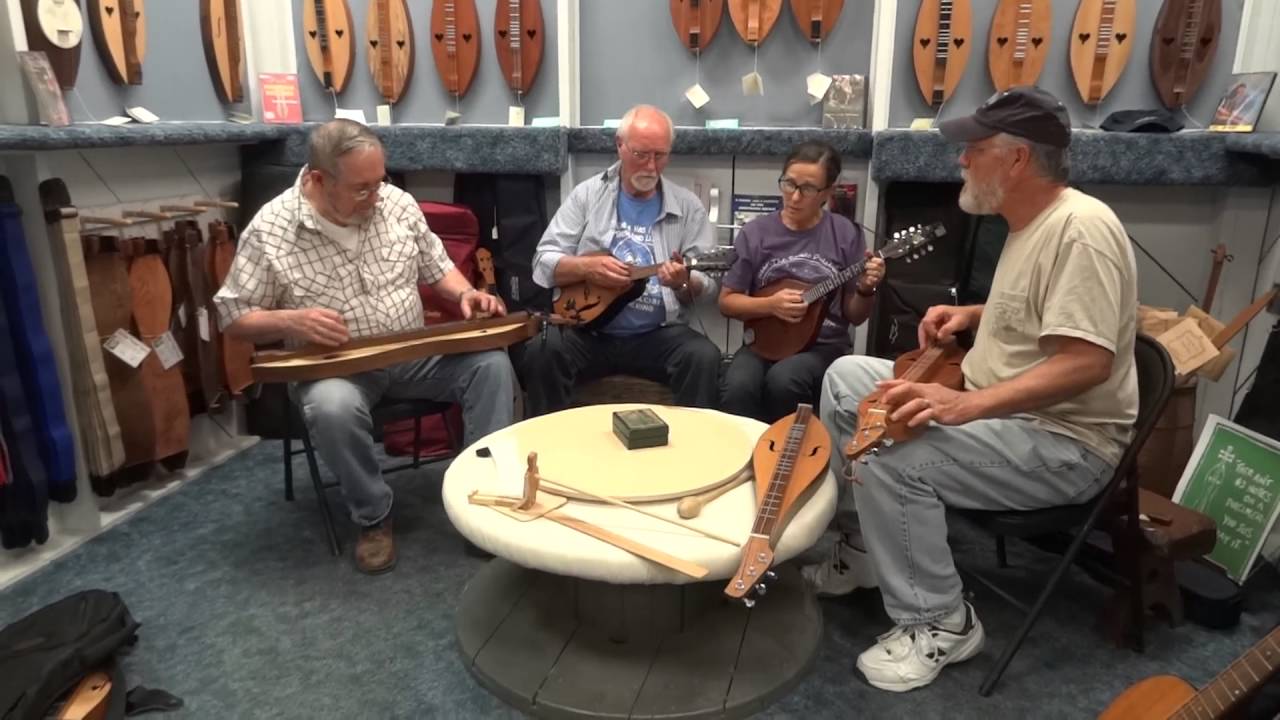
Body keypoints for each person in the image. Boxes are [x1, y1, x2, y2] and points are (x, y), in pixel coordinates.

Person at [816, 86, 1138, 692]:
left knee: (894, 446)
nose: (961, 160)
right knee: (845, 379)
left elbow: (1088, 362)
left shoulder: (1083, 230)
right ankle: (863, 548)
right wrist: (974, 316)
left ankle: (940, 621)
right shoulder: (1029, 224)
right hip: (1006, 418)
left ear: (1017, 160)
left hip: (1066, 443)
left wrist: (965, 405)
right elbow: (1044, 311)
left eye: (974, 148)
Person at [213, 119, 517, 575]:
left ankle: (478, 500)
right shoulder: (272, 229)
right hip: (337, 369)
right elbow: (233, 316)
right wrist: (291, 320)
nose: (376, 196)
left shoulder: (396, 204)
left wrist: (463, 294)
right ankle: (373, 515)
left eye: (381, 182)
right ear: (318, 179)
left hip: (412, 352)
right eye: (361, 189)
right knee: (331, 408)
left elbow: (437, 268)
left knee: (492, 366)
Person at [514, 104, 721, 415]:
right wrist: (587, 267)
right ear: (620, 146)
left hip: (657, 335)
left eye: (660, 155)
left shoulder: (688, 206)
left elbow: (709, 284)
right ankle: (547, 452)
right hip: (589, 333)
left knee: (703, 356)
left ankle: (693, 457)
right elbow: (542, 263)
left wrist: (683, 282)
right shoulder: (587, 196)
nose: (651, 166)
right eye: (641, 155)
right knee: (542, 351)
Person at [718, 141, 885, 423]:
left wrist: (866, 289)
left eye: (807, 189)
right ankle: (743, 459)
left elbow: (855, 316)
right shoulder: (756, 233)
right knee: (737, 386)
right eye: (789, 184)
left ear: (828, 192)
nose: (794, 197)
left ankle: (791, 459)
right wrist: (770, 305)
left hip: (822, 346)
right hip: (763, 342)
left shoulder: (845, 234)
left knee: (785, 381)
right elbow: (727, 301)